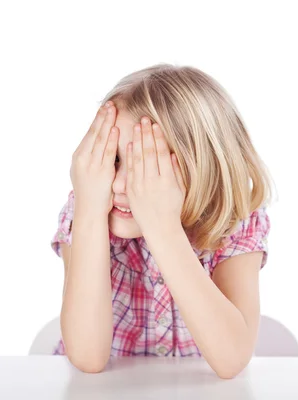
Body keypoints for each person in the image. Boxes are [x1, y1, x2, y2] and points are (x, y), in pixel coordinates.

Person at [50, 63, 275, 379]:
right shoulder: (88, 207)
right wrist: (88, 213)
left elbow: (232, 359)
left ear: (204, 168)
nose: (118, 184)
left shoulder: (235, 220)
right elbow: (87, 357)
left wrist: (162, 227)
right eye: (112, 160)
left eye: (148, 166)